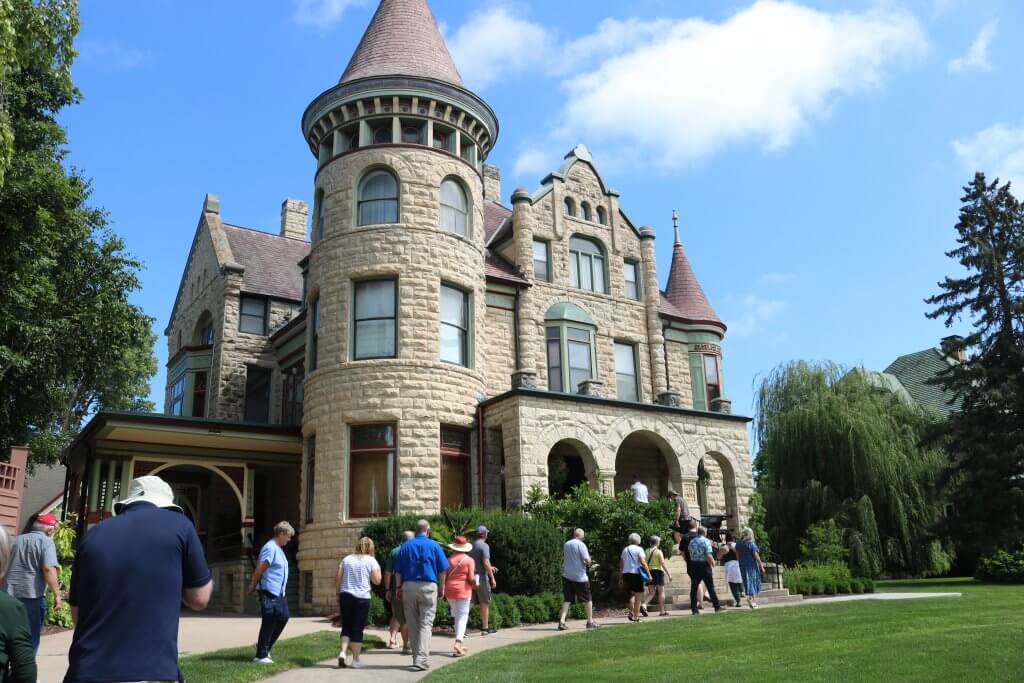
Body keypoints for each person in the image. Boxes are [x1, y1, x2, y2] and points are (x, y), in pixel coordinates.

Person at [64, 476, 212, 683]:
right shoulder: (181, 526)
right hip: (149, 671)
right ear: (167, 505)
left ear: (128, 503)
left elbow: (77, 615)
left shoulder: (92, 535)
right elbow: (199, 598)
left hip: (85, 671)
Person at [395, 519, 449, 672]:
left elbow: (398, 571)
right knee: (426, 624)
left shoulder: (405, 546)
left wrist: (398, 587)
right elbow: (443, 569)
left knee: (412, 623)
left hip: (408, 586)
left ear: (415, 530)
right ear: (428, 531)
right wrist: (442, 587)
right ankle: (422, 659)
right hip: (428, 586)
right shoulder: (434, 545)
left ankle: (416, 658)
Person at [6, 512, 60, 653]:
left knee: (8, 633)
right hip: (32, 596)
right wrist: (57, 594)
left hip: (9, 594)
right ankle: (25, 666)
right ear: (49, 530)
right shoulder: (46, 542)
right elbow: (48, 569)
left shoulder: (16, 540)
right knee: (30, 637)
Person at [249, 521, 295, 664]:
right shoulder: (270, 548)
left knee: (284, 616)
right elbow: (260, 568)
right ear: (281, 534)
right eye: (288, 536)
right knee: (270, 620)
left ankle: (264, 645)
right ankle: (261, 655)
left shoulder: (278, 549)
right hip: (269, 590)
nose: (289, 539)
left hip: (279, 592)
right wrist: (253, 585)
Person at [336, 536, 382, 669]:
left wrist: (338, 593)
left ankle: (343, 652)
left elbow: (338, 578)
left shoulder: (347, 559)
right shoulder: (371, 560)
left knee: (346, 626)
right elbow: (377, 581)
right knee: (357, 628)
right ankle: (355, 660)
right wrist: (377, 571)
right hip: (362, 597)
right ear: (371, 548)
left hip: (346, 595)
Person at [0, 524, 38, 683]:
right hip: (32, 594)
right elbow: (25, 674)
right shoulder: (9, 608)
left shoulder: (19, 540)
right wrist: (57, 593)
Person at [557, 528, 599, 631]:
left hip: (567, 575)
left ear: (574, 534)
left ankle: (562, 621)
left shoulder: (567, 544)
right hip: (579, 577)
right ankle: (590, 622)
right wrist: (589, 562)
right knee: (588, 599)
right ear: (582, 536)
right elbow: (588, 561)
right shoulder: (581, 545)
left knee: (567, 599)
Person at [441, 535, 476, 657]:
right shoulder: (469, 560)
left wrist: (442, 589)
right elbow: (471, 578)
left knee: (456, 615)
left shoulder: (448, 559)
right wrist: (476, 582)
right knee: (463, 616)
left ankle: (460, 644)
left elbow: (443, 576)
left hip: (450, 590)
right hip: (463, 590)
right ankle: (458, 642)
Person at [383, 530, 414, 652]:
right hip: (412, 588)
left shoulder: (394, 552)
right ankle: (409, 642)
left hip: (396, 588)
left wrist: (387, 589)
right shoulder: (414, 550)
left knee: (397, 615)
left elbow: (388, 573)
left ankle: (393, 639)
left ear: (401, 539)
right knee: (411, 615)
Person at [687, 526, 723, 615]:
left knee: (694, 588)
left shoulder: (691, 541)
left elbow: (690, 552)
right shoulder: (705, 541)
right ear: (704, 533)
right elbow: (708, 554)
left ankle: (694, 609)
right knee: (710, 586)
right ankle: (717, 606)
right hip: (704, 565)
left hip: (694, 565)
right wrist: (713, 562)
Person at [470, 526, 497, 635]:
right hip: (481, 578)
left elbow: (478, 562)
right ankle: (485, 629)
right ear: (484, 534)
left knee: (470, 603)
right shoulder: (484, 546)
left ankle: (459, 626)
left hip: (472, 578)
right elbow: (485, 562)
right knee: (484, 603)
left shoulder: (471, 545)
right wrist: (492, 578)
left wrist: (490, 567)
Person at [618, 533, 651, 623]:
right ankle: (636, 618)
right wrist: (649, 574)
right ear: (638, 540)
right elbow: (642, 562)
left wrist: (620, 578)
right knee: (638, 596)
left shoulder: (625, 550)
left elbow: (621, 564)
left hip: (626, 574)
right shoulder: (639, 549)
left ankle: (631, 613)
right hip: (636, 574)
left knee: (632, 594)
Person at [680, 519, 709, 609]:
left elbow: (682, 552)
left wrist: (686, 560)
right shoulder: (699, 536)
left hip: (691, 563)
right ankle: (704, 596)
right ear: (696, 526)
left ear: (688, 527)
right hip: (703, 561)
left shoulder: (685, 537)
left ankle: (700, 603)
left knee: (697, 582)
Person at [641, 535, 672, 617]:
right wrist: (669, 574)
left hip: (649, 572)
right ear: (657, 543)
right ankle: (662, 611)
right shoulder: (658, 551)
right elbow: (662, 563)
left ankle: (644, 604)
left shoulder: (646, 551)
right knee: (661, 592)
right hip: (657, 572)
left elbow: (643, 562)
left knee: (652, 592)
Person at [737, 527, 767, 609]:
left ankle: (753, 600)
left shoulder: (738, 543)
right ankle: (752, 599)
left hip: (742, 564)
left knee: (747, 581)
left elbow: (737, 554)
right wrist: (761, 566)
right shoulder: (751, 544)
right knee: (752, 581)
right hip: (751, 565)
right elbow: (756, 556)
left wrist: (740, 563)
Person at [718, 532, 743, 607]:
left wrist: (721, 552)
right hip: (738, 564)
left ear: (726, 539)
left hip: (729, 565)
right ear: (733, 539)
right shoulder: (737, 546)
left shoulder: (724, 547)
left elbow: (718, 557)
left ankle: (738, 601)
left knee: (732, 584)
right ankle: (742, 591)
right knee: (739, 580)